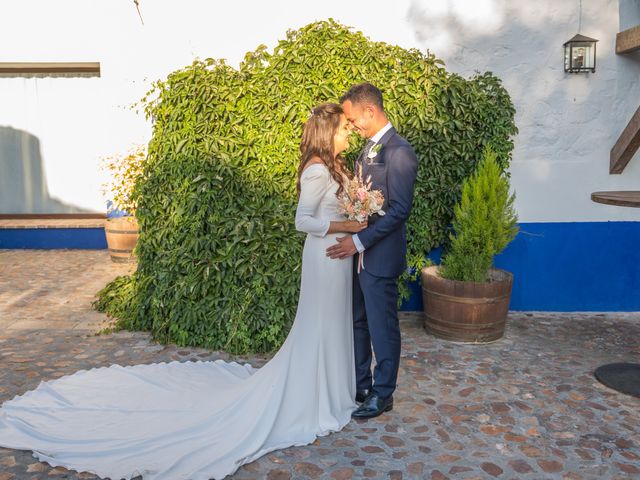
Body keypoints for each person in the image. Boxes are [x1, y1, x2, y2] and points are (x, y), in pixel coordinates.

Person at [0, 103, 365, 480]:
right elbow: (303, 220)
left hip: (337, 257)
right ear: (327, 132)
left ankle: (332, 394)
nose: (347, 134)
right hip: (324, 255)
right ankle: (317, 398)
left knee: (333, 324)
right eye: (343, 130)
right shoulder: (318, 169)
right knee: (318, 326)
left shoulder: (334, 166)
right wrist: (348, 225)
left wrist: (356, 221)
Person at [327, 83, 419, 419]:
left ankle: (384, 394)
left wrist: (359, 241)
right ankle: (361, 384)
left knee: (383, 328)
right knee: (358, 322)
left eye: (353, 119)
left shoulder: (399, 152)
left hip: (378, 256)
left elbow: (398, 210)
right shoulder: (366, 151)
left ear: (370, 111)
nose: (352, 126)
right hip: (359, 257)